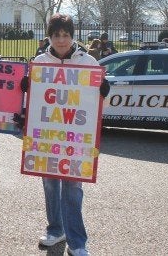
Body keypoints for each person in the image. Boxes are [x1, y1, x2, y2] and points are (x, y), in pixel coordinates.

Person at [25, 14, 109, 256]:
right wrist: (25, 89)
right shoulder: (40, 61)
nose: (61, 40)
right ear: (49, 36)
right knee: (50, 184)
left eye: (65, 34)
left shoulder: (89, 61)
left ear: (73, 36)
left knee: (73, 188)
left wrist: (104, 90)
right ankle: (55, 230)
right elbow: (31, 99)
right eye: (56, 35)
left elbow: (96, 104)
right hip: (48, 137)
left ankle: (77, 242)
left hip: (75, 137)